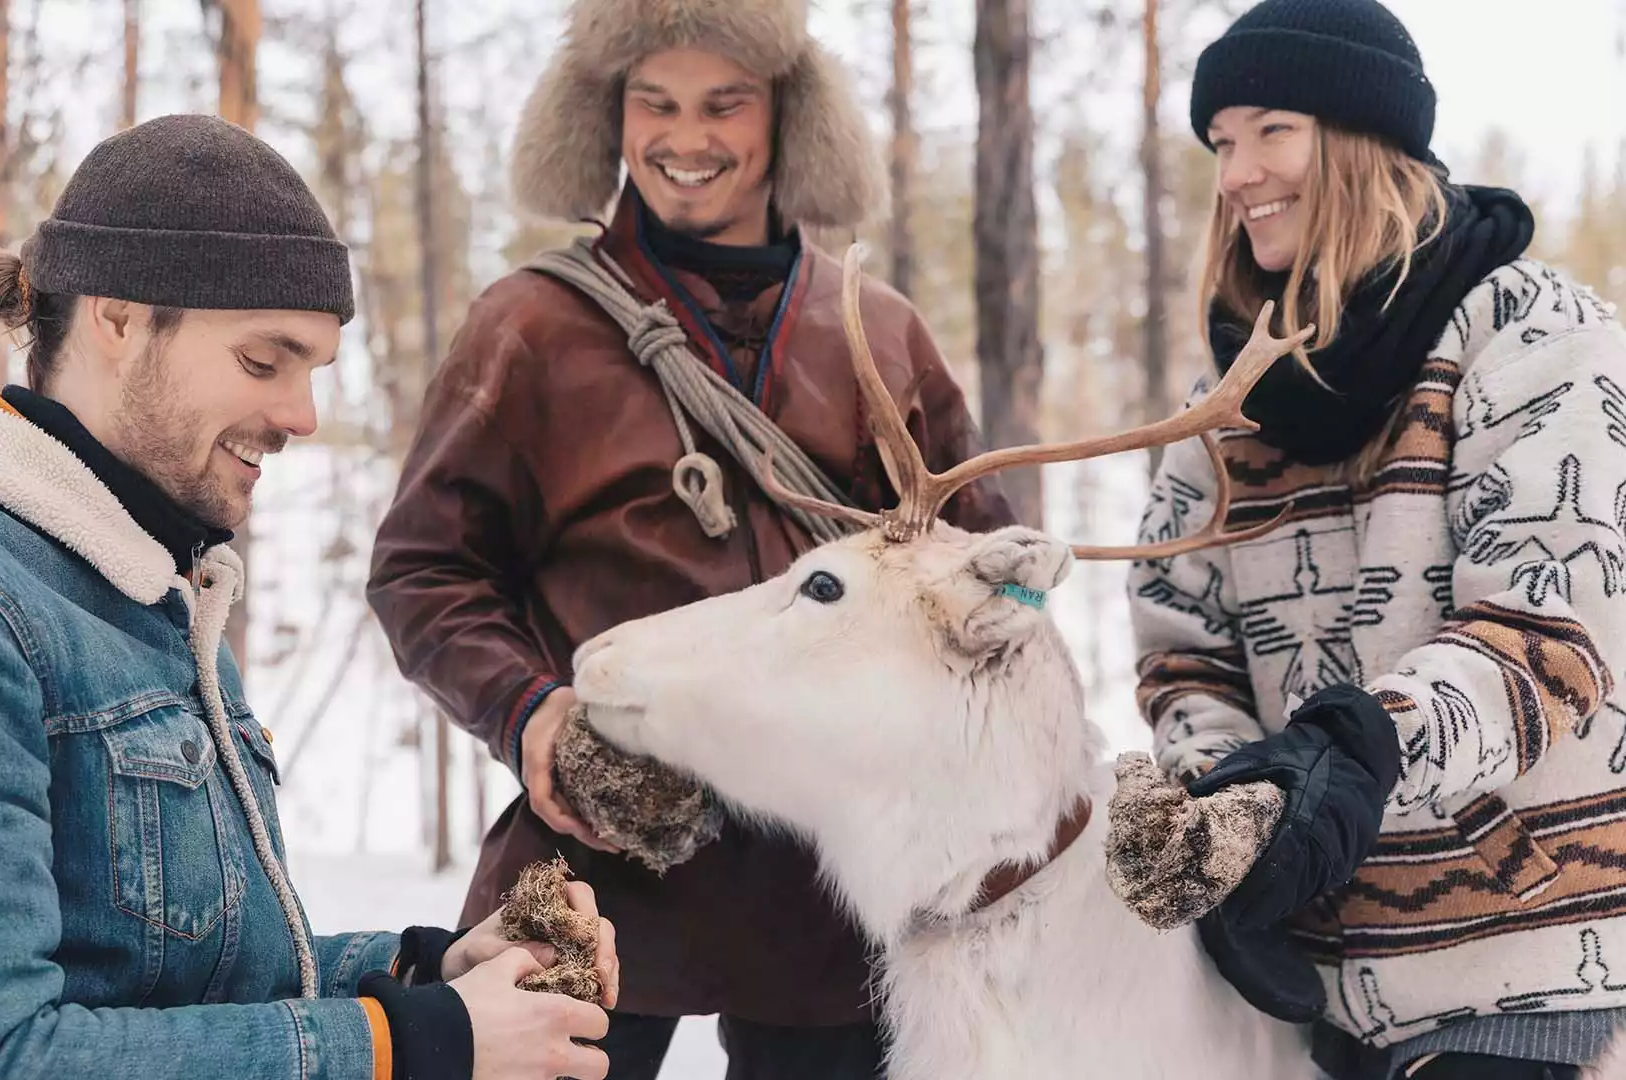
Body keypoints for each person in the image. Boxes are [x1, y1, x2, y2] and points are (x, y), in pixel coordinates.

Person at [0, 113, 617, 1080]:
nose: (300, 416)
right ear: (117, 317)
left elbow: (171, 976)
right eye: (263, 362)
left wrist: (422, 972)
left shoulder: (149, 594)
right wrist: (407, 1046)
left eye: (313, 373)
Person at [365, 0, 1017, 1075]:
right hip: (597, 864)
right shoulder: (528, 325)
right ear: (605, 116)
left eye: (726, 103)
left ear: (788, 117)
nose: (686, 139)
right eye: (654, 104)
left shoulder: (882, 332)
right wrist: (535, 715)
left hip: (835, 889)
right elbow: (424, 571)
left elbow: (981, 582)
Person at [1128, 1, 1626, 1078]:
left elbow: (1548, 634)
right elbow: (1183, 651)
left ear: (1361, 138)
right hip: (1309, 987)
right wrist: (1239, 811)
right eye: (1220, 143)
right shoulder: (1227, 402)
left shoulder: (1530, 332)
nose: (1236, 174)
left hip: (1517, 964)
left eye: (1271, 131)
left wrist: (1353, 751)